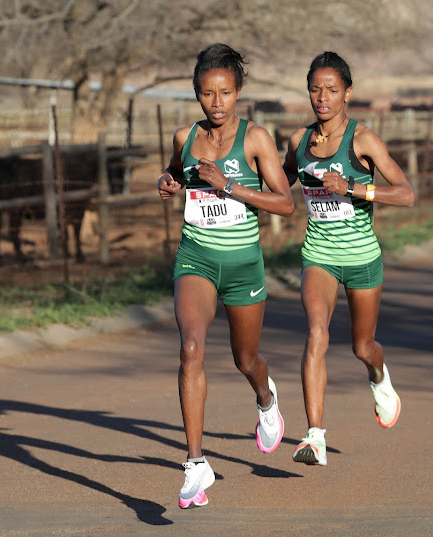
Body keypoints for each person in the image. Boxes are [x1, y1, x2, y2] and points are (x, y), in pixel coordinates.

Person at [157, 43, 294, 508]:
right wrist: (168, 182)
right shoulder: (185, 137)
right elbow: (174, 174)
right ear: (197, 93)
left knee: (245, 359)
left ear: (238, 92)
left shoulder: (255, 139)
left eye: (225, 93)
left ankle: (265, 398)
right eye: (207, 94)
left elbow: (285, 202)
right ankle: (196, 464)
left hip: (243, 266)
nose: (217, 103)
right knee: (191, 348)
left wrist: (229, 186)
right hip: (196, 256)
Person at [282, 52, 415, 466]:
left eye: (332, 90)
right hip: (318, 253)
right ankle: (315, 437)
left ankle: (379, 376)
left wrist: (356, 190)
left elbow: (406, 193)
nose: (322, 98)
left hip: (362, 258)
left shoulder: (364, 140)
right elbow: (277, 180)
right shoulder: (298, 141)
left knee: (362, 347)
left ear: (348, 93)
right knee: (316, 334)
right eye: (315, 89)